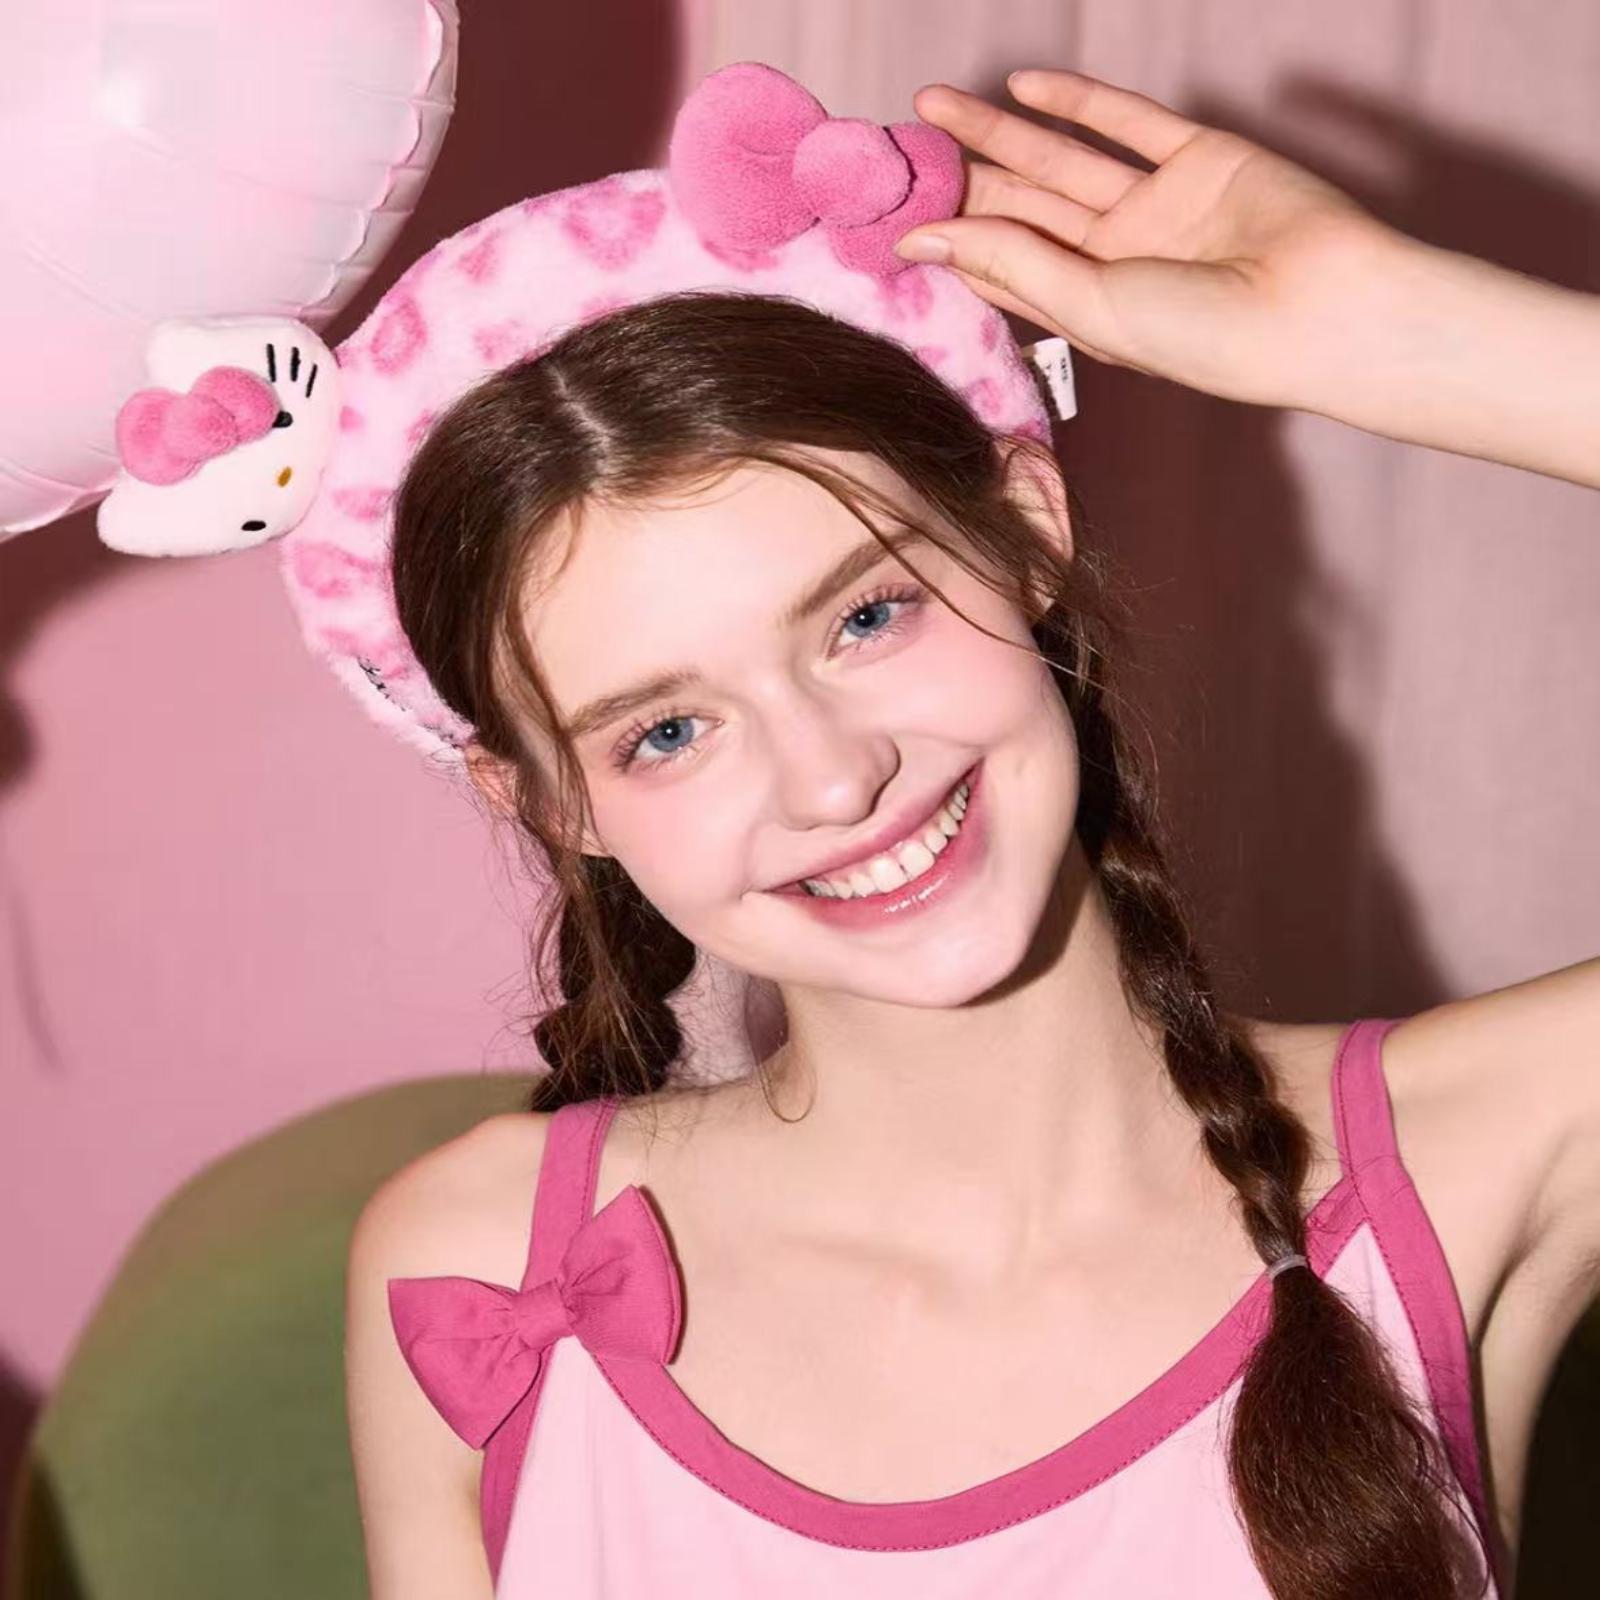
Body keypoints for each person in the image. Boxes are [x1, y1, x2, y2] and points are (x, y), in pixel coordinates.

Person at [344, 66, 1599, 1599]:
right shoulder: (475, 1260)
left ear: (1029, 534)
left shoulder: (1476, 1146)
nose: (831, 779)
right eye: (666, 731)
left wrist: (1403, 337)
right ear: (552, 804)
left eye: (867, 617)